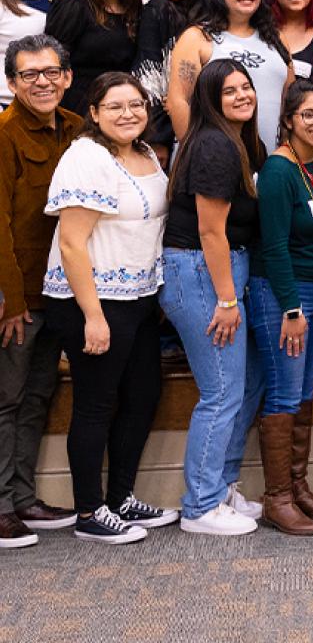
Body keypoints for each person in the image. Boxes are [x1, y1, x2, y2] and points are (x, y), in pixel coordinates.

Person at [43, 72, 178, 543]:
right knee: (96, 405)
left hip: (138, 298)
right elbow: (73, 245)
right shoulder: (86, 159)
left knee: (142, 397)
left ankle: (120, 498)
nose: (129, 114)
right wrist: (94, 316)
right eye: (115, 106)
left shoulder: (143, 153)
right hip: (92, 301)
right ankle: (88, 512)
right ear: (94, 113)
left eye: (136, 105)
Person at [159, 59, 266, 536]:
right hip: (200, 272)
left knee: (244, 387)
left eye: (247, 87)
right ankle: (200, 505)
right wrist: (226, 300)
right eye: (230, 91)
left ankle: (220, 487)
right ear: (210, 100)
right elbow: (209, 231)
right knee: (221, 392)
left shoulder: (238, 141)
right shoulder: (214, 146)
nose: (243, 95)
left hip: (221, 269)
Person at [246, 78, 313, 535]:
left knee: (305, 392)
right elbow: (275, 247)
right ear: (288, 121)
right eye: (309, 115)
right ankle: (277, 498)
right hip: (283, 294)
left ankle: (298, 487)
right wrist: (290, 309)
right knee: (284, 393)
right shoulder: (280, 172)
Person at [0, 35, 82, 549]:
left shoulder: (77, 129)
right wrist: (10, 301)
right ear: (11, 83)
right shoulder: (3, 134)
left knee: (36, 397)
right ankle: (2, 506)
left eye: (51, 72)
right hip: (20, 297)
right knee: (5, 401)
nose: (43, 82)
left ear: (68, 77)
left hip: (61, 293)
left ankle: (24, 496)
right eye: (30, 75)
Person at [169, 0, 293, 152]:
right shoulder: (197, 37)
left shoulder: (276, 37)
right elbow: (179, 101)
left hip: (270, 160)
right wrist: (198, 153)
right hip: (212, 160)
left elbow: (290, 99)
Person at [45, 0, 143, 115]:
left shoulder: (137, 10)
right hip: (76, 110)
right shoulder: (74, 6)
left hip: (120, 110)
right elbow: (50, 64)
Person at [133, 0, 209, 152]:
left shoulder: (214, 7)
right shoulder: (156, 10)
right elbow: (148, 76)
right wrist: (158, 141)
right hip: (174, 132)